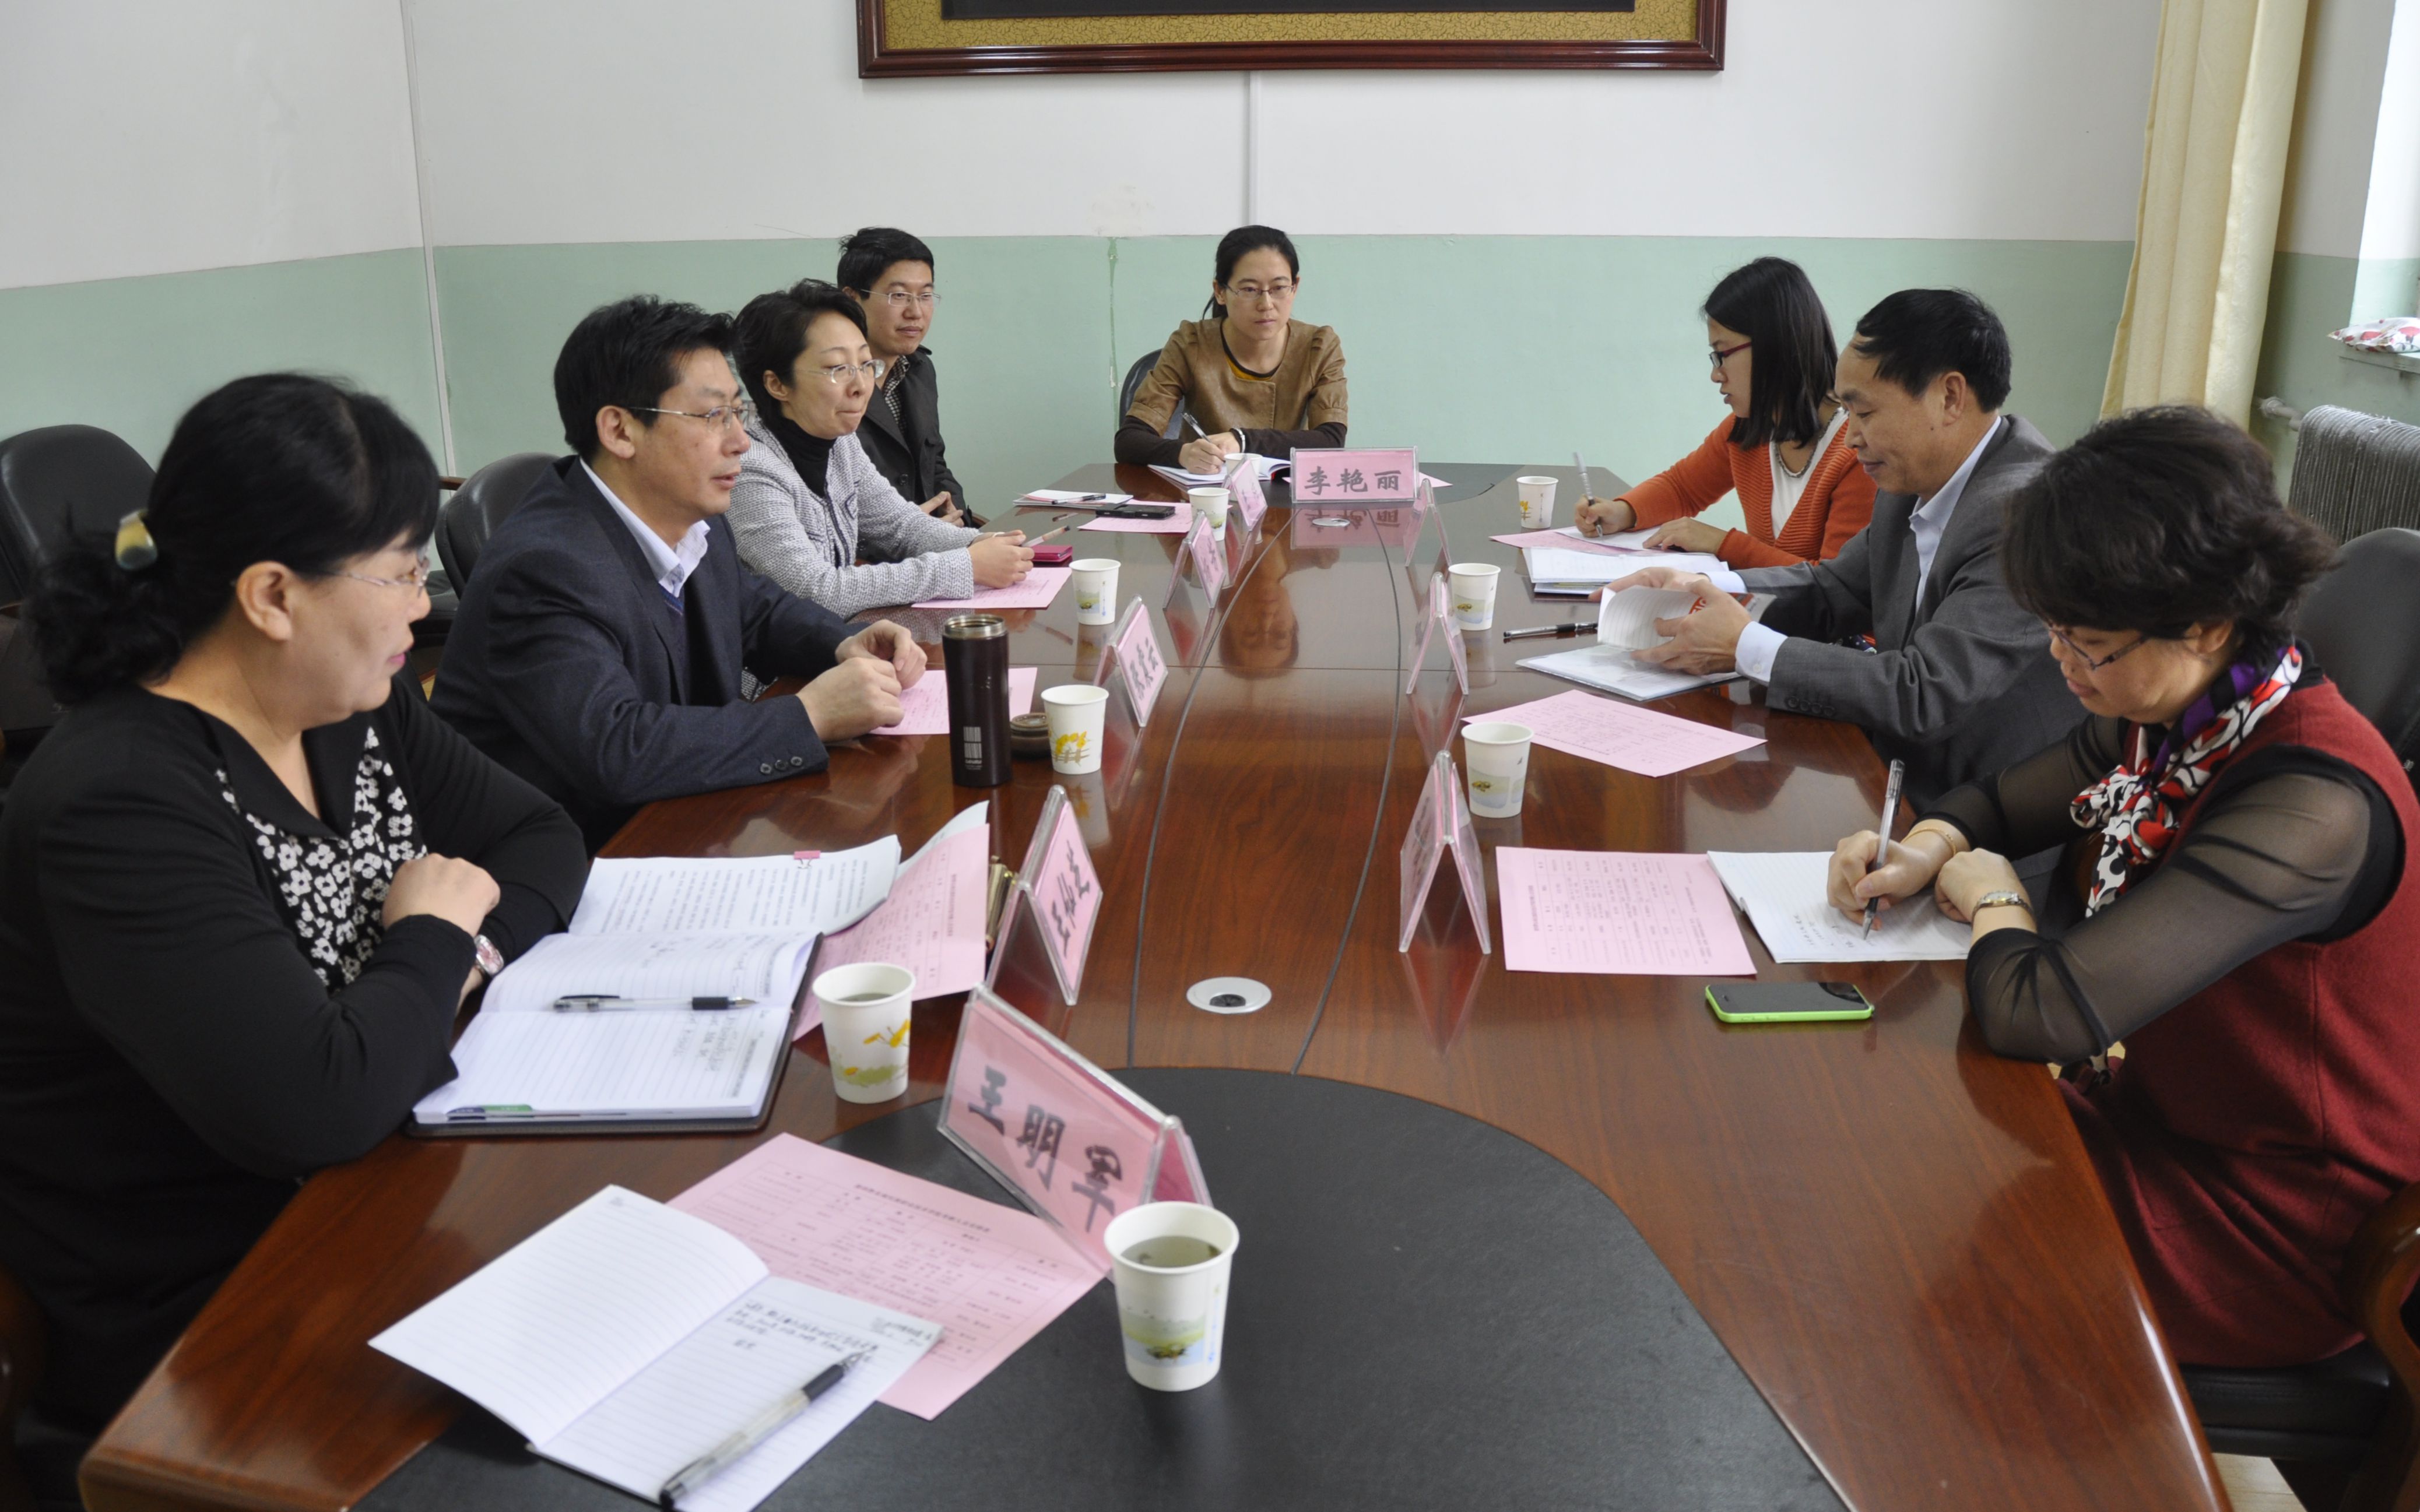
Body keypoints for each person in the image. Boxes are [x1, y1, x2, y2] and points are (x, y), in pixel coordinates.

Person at [0, 375, 589, 1433]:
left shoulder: (347, 702)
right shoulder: (119, 799)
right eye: (401, 569)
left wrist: (457, 962)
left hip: (388, 1167)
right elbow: (316, 1105)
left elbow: (542, 836)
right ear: (273, 595)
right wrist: (431, 937)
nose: (422, 603)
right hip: (216, 1302)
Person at [1828, 406, 2418, 1368]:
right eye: (2052, 630)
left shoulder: (2315, 807)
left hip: (2271, 1223)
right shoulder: (2195, 704)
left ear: (2206, 621)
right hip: (2161, 1118)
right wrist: (1923, 845)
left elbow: (2041, 1011)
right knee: (1892, 1145)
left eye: (2087, 642)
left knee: (1913, 1238)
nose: (2060, 662)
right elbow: (2005, 799)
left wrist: (1995, 898)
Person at [432, 296, 927, 850]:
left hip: (683, 821)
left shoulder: (690, 515)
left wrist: (843, 643)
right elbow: (617, 748)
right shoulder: (543, 568)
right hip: (559, 859)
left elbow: (755, 610)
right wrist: (809, 715)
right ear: (620, 431)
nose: (740, 441)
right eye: (713, 417)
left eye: (738, 412)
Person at [1606, 289, 2081, 807]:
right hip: (1892, 777)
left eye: (1865, 412)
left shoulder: (2025, 515)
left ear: (1949, 397)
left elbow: (1925, 693)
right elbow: (1833, 589)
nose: (1850, 438)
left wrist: (1744, 646)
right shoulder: (1914, 478)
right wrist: (1702, 586)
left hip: (1979, 813)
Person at [728, 279, 1031, 618]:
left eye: (865, 365)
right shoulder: (749, 470)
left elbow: (900, 526)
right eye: (838, 369)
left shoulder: (840, 443)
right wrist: (966, 566)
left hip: (843, 640)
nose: (861, 386)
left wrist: (981, 544)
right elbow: (816, 591)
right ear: (777, 384)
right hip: (787, 654)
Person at [1575, 257, 1875, 568]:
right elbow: (1683, 488)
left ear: (1773, 346)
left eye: (1722, 354)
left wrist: (1723, 544)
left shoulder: (1859, 453)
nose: (1716, 375)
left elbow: (1834, 584)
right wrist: (1623, 512)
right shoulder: (1749, 430)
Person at [1115, 225, 1347, 474]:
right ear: (1220, 292)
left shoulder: (1318, 347)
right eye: (1249, 290)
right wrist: (1182, 453)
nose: (1266, 304)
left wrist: (1242, 440)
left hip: (1283, 491)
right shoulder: (1191, 344)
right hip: (1206, 491)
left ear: (1295, 287)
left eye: (1279, 288)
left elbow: (1331, 440)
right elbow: (1129, 441)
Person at [836, 227, 972, 526]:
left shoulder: (919, 369)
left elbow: (934, 464)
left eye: (925, 296)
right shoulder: (832, 382)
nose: (915, 312)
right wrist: (915, 531)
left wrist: (956, 515)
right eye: (898, 295)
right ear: (852, 299)